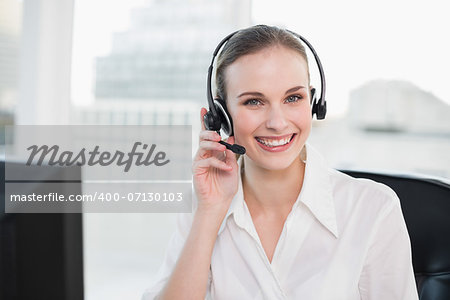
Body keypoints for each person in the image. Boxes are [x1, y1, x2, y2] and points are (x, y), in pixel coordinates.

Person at [142, 25, 419, 300]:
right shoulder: (201, 206)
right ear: (219, 115)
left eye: (293, 98)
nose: (277, 123)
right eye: (254, 102)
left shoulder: (372, 209)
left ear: (314, 102)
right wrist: (209, 213)